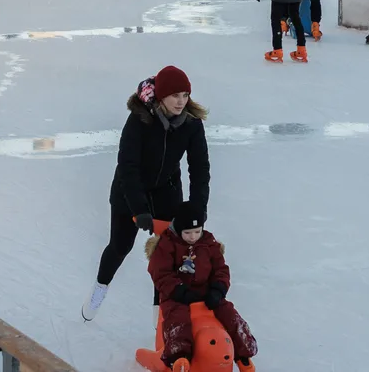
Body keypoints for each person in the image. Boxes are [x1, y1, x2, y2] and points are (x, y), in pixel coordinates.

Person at [82, 66, 210, 322]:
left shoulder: (191, 124)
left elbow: (199, 168)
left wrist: (198, 208)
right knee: (120, 246)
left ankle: (160, 312)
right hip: (129, 189)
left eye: (185, 95)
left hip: (166, 190)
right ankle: (100, 288)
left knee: (167, 253)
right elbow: (127, 166)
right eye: (175, 95)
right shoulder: (139, 119)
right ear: (161, 96)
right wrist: (139, 208)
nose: (181, 102)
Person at [148, 202, 257, 372]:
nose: (193, 237)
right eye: (187, 233)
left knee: (230, 314)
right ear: (178, 229)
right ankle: (180, 358)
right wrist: (178, 290)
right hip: (177, 295)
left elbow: (221, 269)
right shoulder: (167, 244)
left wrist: (218, 289)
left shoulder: (208, 243)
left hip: (206, 293)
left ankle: (243, 356)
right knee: (178, 319)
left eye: (197, 231)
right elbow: (160, 273)